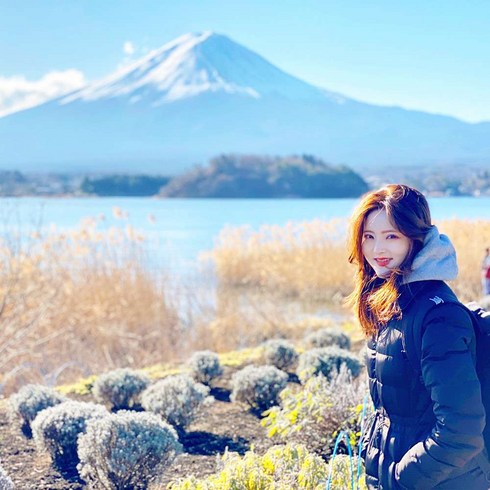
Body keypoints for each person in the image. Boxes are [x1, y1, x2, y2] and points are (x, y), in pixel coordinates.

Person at [347, 184, 488, 489]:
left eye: (391, 236)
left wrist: (402, 479)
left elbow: (461, 432)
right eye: (369, 237)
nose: (377, 250)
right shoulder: (392, 299)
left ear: (417, 238)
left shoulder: (438, 317)